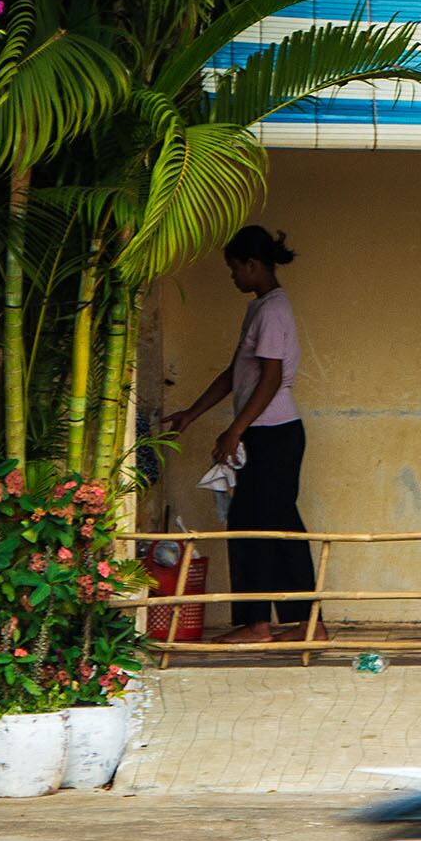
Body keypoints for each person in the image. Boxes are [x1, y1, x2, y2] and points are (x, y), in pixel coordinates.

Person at [165, 229, 316, 638]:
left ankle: (271, 623)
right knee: (267, 523)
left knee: (265, 526)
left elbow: (271, 379)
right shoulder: (261, 308)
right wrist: (192, 414)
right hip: (265, 432)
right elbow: (238, 373)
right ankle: (292, 623)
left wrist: (235, 430)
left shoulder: (272, 310)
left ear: (252, 264)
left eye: (234, 268)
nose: (232, 277)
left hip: (274, 433)